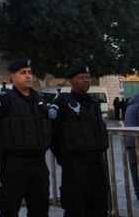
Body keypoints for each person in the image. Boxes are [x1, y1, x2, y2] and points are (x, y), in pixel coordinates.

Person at [0, 58, 51, 217]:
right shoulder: (4, 100)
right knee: (9, 208)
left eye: (29, 72)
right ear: (12, 77)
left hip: (39, 163)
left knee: (40, 209)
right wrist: (4, 147)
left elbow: (48, 128)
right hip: (15, 164)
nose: (28, 76)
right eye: (23, 73)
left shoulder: (39, 100)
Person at [49, 64, 108, 216]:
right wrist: (65, 159)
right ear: (71, 81)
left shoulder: (93, 103)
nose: (86, 80)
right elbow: (52, 135)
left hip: (97, 164)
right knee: (75, 209)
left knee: (99, 208)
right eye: (81, 77)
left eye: (88, 77)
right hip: (75, 166)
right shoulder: (61, 103)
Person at [124, 92, 139, 200]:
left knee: (134, 169)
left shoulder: (131, 104)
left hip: (130, 141)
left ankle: (138, 192)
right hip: (137, 141)